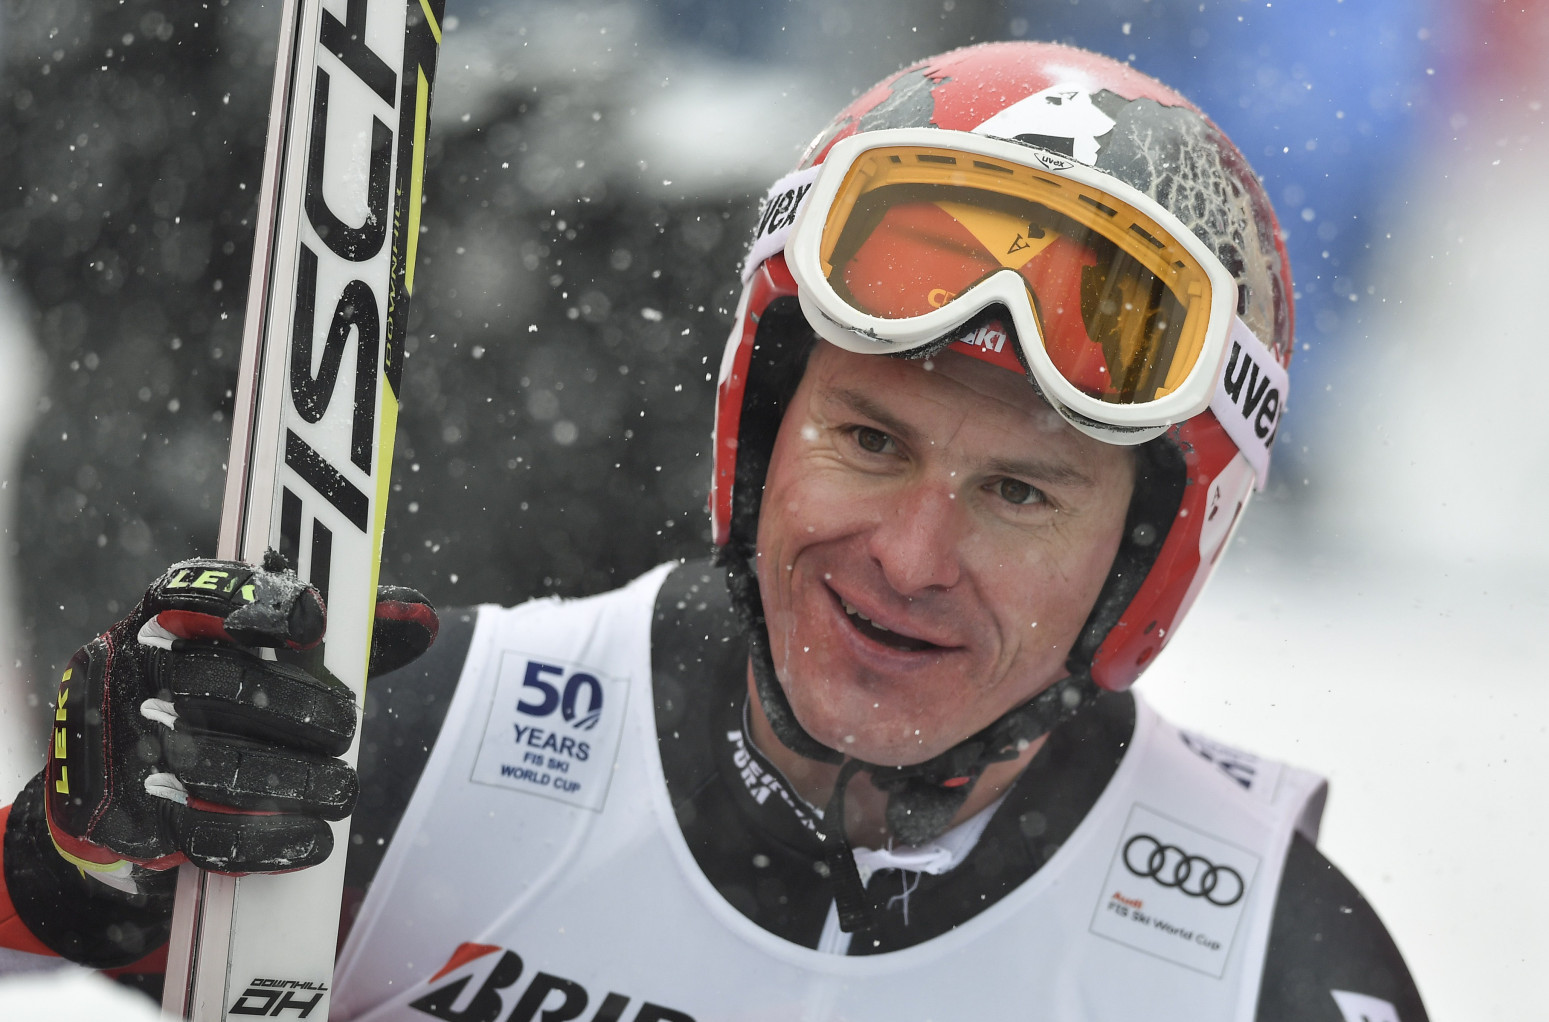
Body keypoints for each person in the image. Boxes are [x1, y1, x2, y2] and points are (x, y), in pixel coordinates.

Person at [0, 41, 1426, 1021]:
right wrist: (72, 853)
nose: (910, 556)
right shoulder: (428, 740)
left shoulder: (1264, 964)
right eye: (870, 442)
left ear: (1147, 562)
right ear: (757, 437)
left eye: (1020, 493)